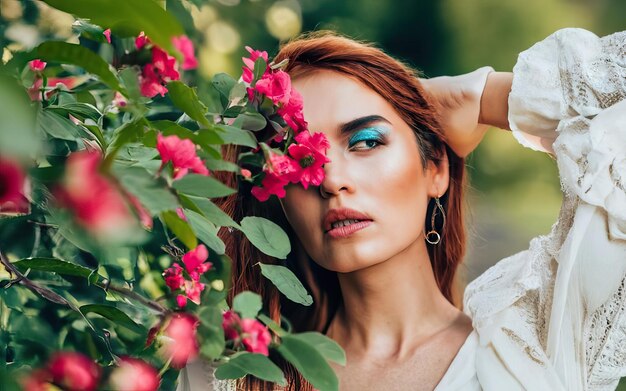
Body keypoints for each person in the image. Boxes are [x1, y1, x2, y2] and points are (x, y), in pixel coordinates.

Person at [180, 27, 626, 390]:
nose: (333, 180)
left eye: (367, 141)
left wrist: (479, 97)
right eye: (299, 158)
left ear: (436, 168)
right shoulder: (228, 374)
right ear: (278, 194)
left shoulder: (537, 337)